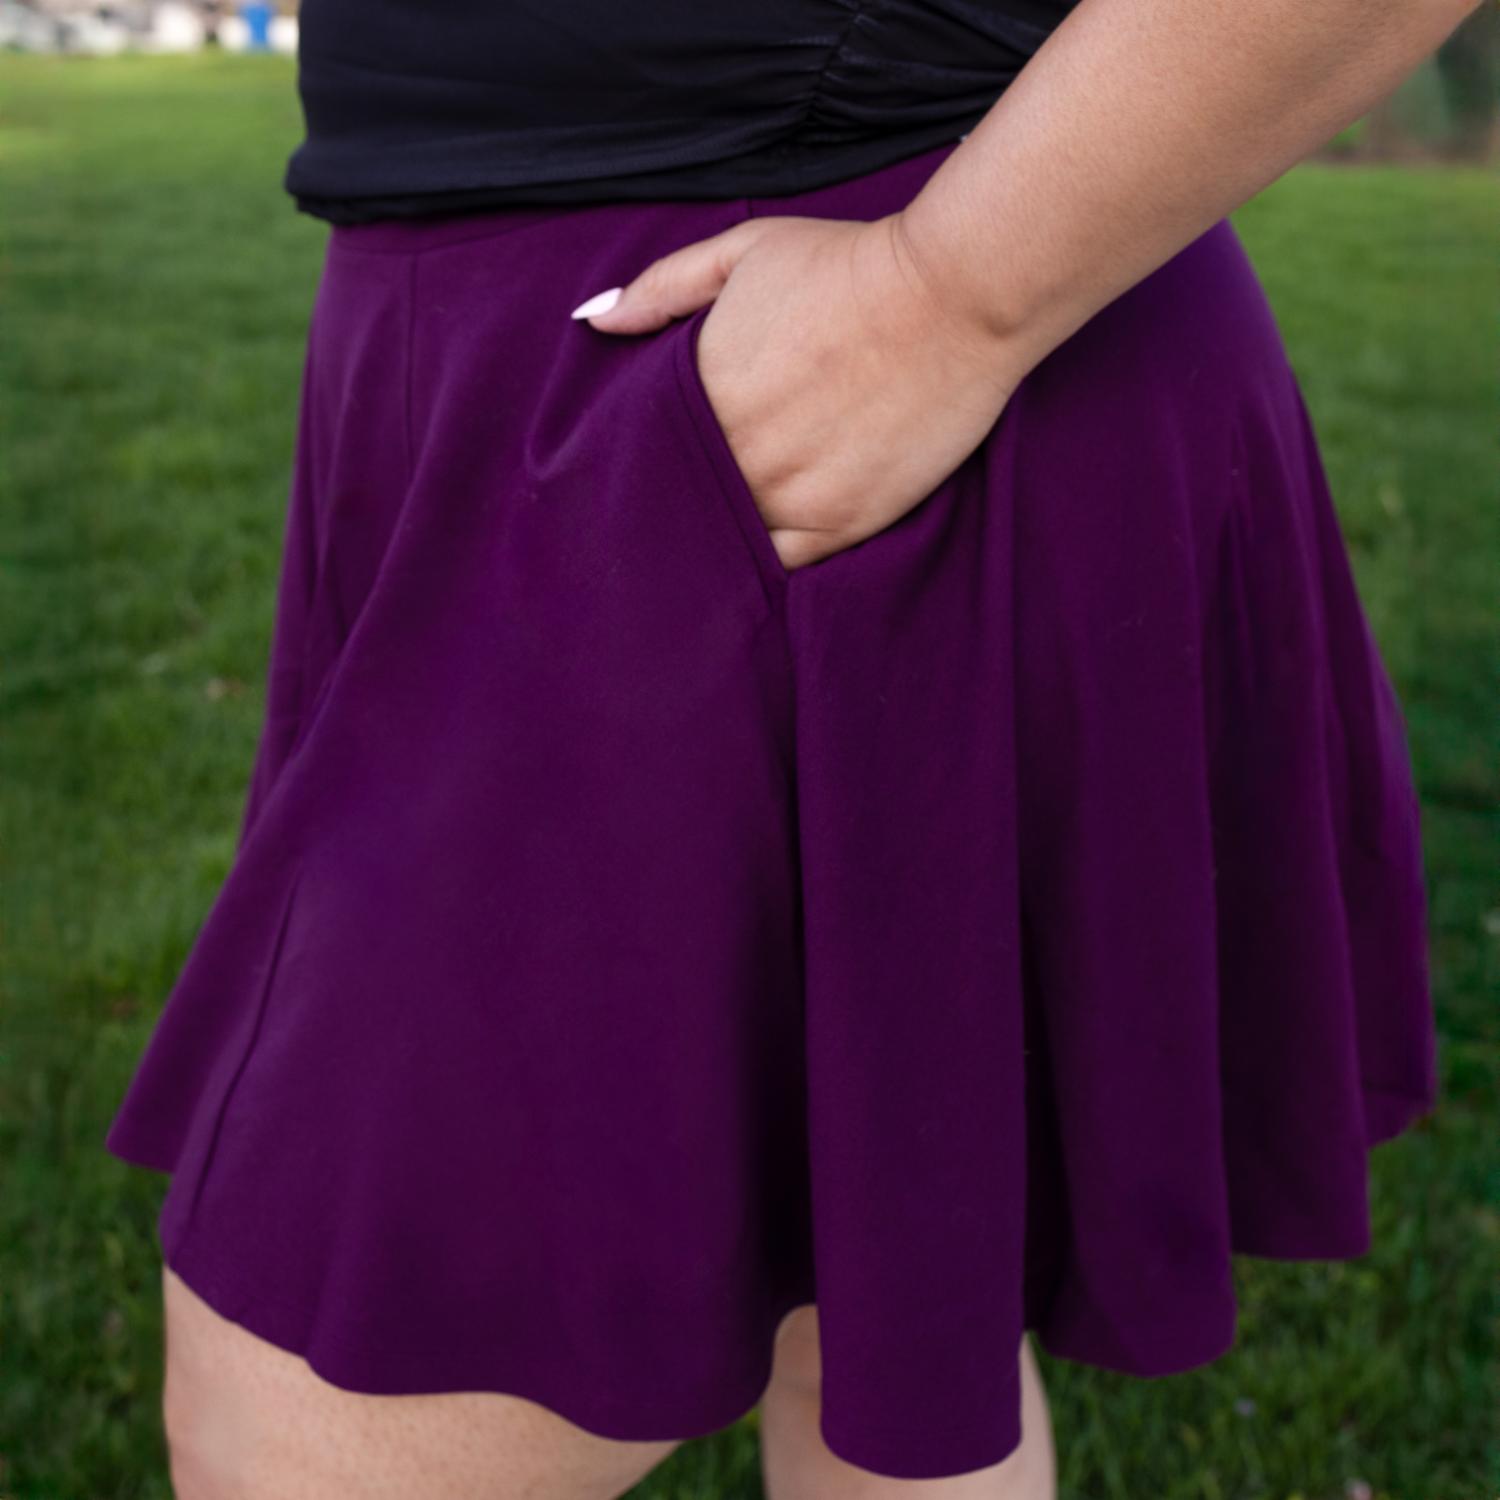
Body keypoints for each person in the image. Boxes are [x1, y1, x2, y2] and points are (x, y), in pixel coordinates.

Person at [104, 0, 1463, 1494]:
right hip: (592, 352)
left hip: (825, 393)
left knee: (301, 1431)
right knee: (873, 1327)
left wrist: (945, 296)